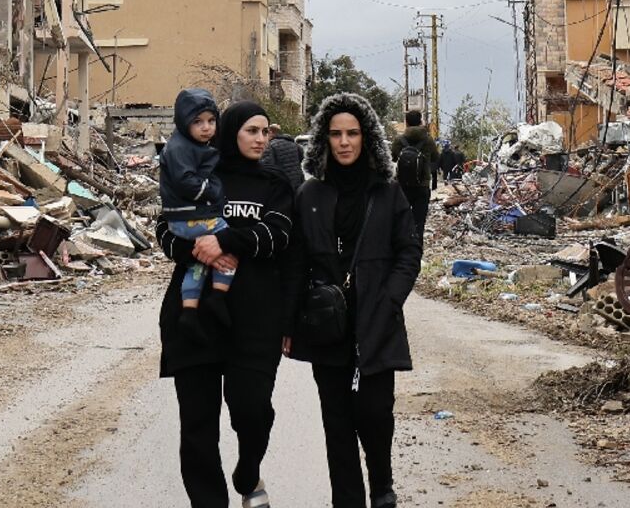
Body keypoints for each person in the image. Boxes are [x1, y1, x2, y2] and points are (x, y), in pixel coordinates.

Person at [286, 92, 423, 508]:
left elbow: (408, 251)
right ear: (323, 140)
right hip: (327, 326)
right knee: (337, 424)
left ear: (367, 139)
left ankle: (382, 486)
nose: (344, 142)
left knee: (376, 414)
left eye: (352, 133)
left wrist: (391, 298)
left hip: (377, 322)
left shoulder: (386, 192)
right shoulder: (309, 196)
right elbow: (295, 263)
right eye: (335, 134)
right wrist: (290, 323)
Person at [156, 102, 294, 508]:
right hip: (194, 318)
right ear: (231, 132)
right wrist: (198, 250)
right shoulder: (202, 177)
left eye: (265, 131)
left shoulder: (275, 184)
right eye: (252, 130)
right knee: (197, 426)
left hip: (254, 321)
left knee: (253, 412)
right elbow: (166, 228)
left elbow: (279, 236)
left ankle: (248, 471)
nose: (260, 139)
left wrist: (227, 241)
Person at [159, 89, 232, 336]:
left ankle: (189, 310)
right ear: (184, 122)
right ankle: (219, 296)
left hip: (183, 218)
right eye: (198, 122)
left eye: (211, 121)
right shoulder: (180, 147)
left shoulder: (191, 144)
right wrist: (211, 191)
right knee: (229, 241)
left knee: (197, 266)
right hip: (189, 216)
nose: (206, 128)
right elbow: (185, 181)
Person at [390, 109, 440, 239]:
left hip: (402, 186)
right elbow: (435, 157)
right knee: (419, 223)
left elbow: (393, 158)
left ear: (406, 122)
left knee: (400, 221)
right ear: (420, 122)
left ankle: (400, 251)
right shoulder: (428, 140)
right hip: (422, 186)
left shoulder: (399, 140)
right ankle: (416, 252)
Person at [260, 122, 306, 191]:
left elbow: (267, 166)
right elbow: (301, 157)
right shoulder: (293, 144)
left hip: (282, 184)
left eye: (267, 133)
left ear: (271, 132)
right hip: (297, 182)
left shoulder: (270, 146)